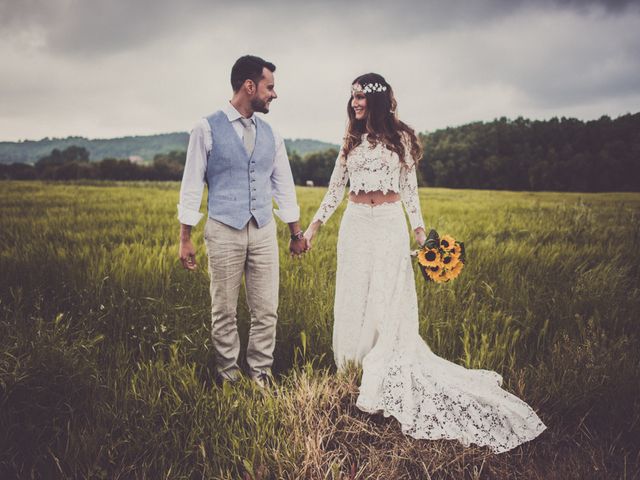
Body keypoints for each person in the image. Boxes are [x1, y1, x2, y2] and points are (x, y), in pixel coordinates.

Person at [304, 73, 546, 453]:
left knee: (387, 298)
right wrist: (314, 227)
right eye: (351, 97)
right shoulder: (350, 140)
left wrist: (422, 236)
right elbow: (336, 188)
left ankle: (383, 372)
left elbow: (410, 192)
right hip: (354, 227)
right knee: (354, 294)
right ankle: (352, 367)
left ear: (377, 101)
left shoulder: (400, 140)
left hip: (387, 226)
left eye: (360, 97)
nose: (354, 104)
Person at [178, 55, 307, 388]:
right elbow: (191, 185)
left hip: (263, 231)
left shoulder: (271, 134)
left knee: (266, 310)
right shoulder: (205, 128)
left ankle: (260, 375)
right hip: (223, 230)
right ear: (249, 86)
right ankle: (229, 378)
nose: (274, 94)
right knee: (224, 311)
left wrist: (295, 233)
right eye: (270, 87)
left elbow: (284, 185)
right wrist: (185, 237)